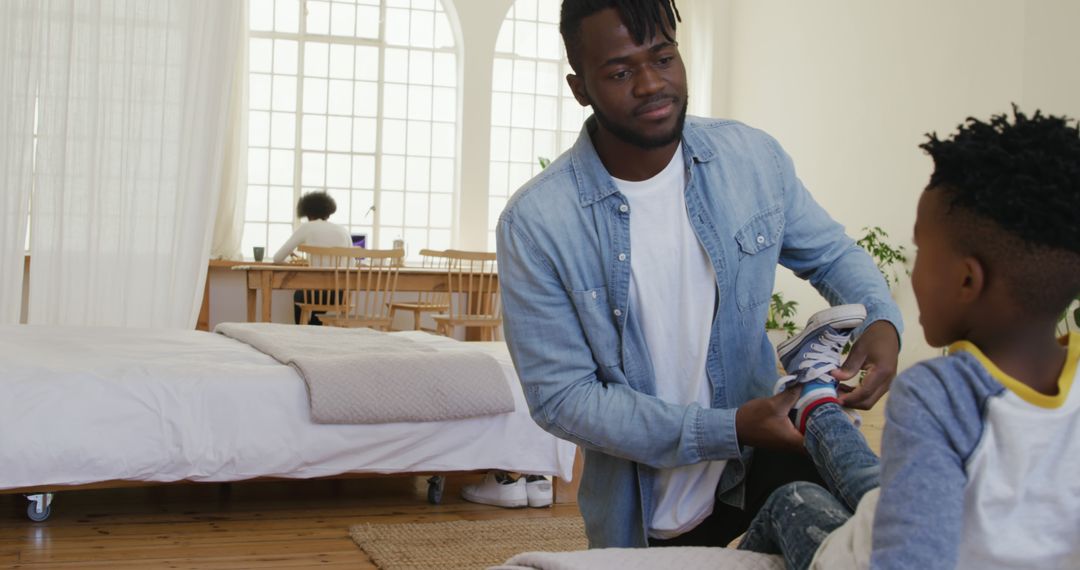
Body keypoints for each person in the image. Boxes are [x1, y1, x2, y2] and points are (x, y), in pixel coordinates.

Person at [495, 0, 902, 548]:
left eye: (663, 57)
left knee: (872, 536)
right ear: (580, 88)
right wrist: (728, 429)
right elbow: (564, 398)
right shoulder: (538, 224)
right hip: (646, 512)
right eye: (620, 72)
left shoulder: (752, 159)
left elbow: (831, 255)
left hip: (767, 454)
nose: (650, 84)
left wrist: (881, 321)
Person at [738, 107, 1080, 569]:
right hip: (941, 510)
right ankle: (815, 395)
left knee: (793, 498)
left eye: (921, 251)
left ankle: (813, 393)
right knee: (873, 479)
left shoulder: (939, 396)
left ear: (966, 281)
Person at [272, 191, 352, 325]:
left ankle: (302, 330)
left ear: (307, 213)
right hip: (339, 296)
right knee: (318, 298)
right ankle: (314, 327)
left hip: (315, 294)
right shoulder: (343, 231)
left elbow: (277, 258)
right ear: (328, 211)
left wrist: (294, 265)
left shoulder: (307, 227)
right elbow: (352, 264)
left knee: (300, 294)